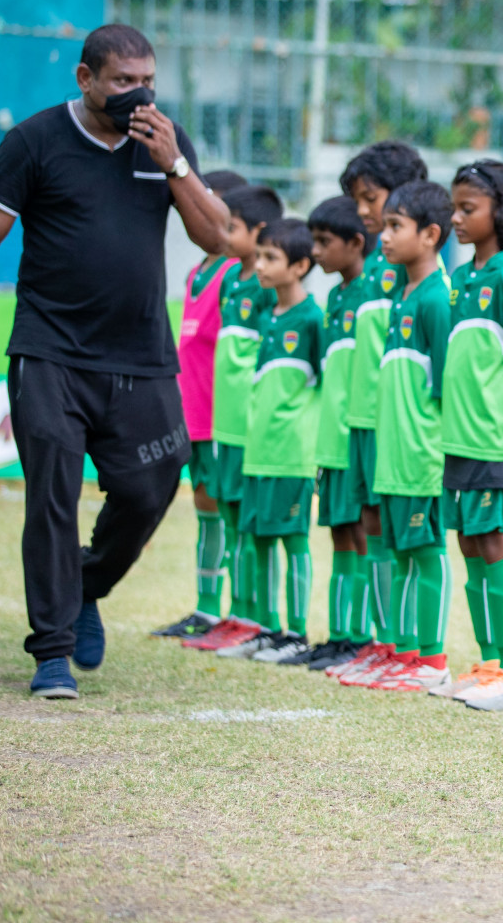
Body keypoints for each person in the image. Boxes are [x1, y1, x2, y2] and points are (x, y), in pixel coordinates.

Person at [0, 25, 228, 698]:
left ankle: (85, 585)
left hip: (140, 357)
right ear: (85, 79)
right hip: (48, 354)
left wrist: (175, 163)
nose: (138, 94)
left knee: (154, 481)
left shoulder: (164, 139)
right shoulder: (34, 141)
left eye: (148, 81)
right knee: (52, 494)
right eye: (123, 82)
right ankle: (51, 654)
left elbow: (217, 235)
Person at [340, 181, 456, 693]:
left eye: (394, 226)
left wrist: (437, 452)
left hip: (422, 458)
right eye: (383, 225)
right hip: (392, 456)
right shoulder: (399, 297)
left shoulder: (436, 298)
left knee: (426, 552)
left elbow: (447, 388)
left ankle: (431, 661)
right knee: (401, 553)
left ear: (430, 235)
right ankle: (402, 651)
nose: (383, 236)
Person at [429, 161, 503, 707]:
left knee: (494, 541)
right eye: (455, 208)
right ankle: (491, 659)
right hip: (456, 438)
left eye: (468, 209)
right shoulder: (462, 278)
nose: (456, 219)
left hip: (494, 438)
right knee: (469, 543)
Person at [330, 142, 430, 682]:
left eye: (371, 199)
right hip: (363, 420)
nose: (365, 213)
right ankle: (381, 639)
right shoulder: (372, 272)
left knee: (402, 532)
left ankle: (410, 645)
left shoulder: (419, 275)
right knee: (371, 526)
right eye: (360, 202)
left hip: (400, 424)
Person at [216, 218, 322, 662]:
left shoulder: (314, 319)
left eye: (270, 258)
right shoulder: (267, 317)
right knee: (257, 537)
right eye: (258, 255)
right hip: (258, 450)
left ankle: (295, 634)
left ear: (299, 266)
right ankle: (265, 627)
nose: (259, 265)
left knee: (292, 540)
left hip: (292, 454)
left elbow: (324, 385)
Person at [182, 185, 283, 653]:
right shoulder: (228, 280)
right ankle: (224, 611)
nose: (219, 233)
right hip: (212, 418)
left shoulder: (257, 285)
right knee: (219, 511)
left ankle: (264, 619)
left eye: (229, 225)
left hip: (247, 423)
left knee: (250, 522)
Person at [153, 168, 245, 640]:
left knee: (228, 509)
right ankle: (206, 608)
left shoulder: (235, 275)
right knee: (205, 509)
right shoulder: (196, 272)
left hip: (223, 417)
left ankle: (237, 611)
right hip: (193, 417)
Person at [296, 196, 374, 671]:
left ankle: (363, 637)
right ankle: (342, 633)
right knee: (340, 534)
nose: (317, 252)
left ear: (356, 243)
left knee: (362, 534)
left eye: (325, 243)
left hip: (356, 434)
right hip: (330, 437)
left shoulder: (371, 293)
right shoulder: (335, 298)